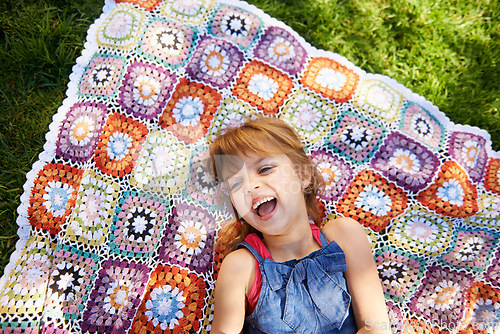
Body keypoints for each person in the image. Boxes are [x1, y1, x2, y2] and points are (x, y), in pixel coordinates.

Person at [209, 117, 391, 333]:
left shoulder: (344, 236)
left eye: (265, 169)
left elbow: (376, 325)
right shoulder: (242, 267)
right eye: (236, 183)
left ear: (303, 175)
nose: (250, 186)